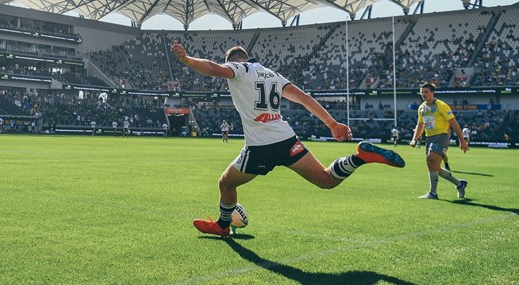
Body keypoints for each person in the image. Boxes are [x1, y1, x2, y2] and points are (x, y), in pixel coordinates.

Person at [171, 41, 405, 237]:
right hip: (287, 138)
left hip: (261, 146)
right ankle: (360, 158)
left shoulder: (240, 69)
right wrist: (332, 124)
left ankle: (222, 226)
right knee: (326, 179)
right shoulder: (273, 75)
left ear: (234, 60)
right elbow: (303, 98)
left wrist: (188, 60)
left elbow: (213, 68)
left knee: (226, 183)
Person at [410, 83, 469, 200]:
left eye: (426, 92)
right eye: (422, 92)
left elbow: (454, 123)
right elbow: (420, 124)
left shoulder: (441, 105)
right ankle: (459, 184)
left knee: (431, 158)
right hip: (429, 137)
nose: (423, 94)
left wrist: (462, 141)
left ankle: (432, 193)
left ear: (433, 93)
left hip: (441, 136)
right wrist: (414, 139)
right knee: (434, 166)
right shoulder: (421, 107)